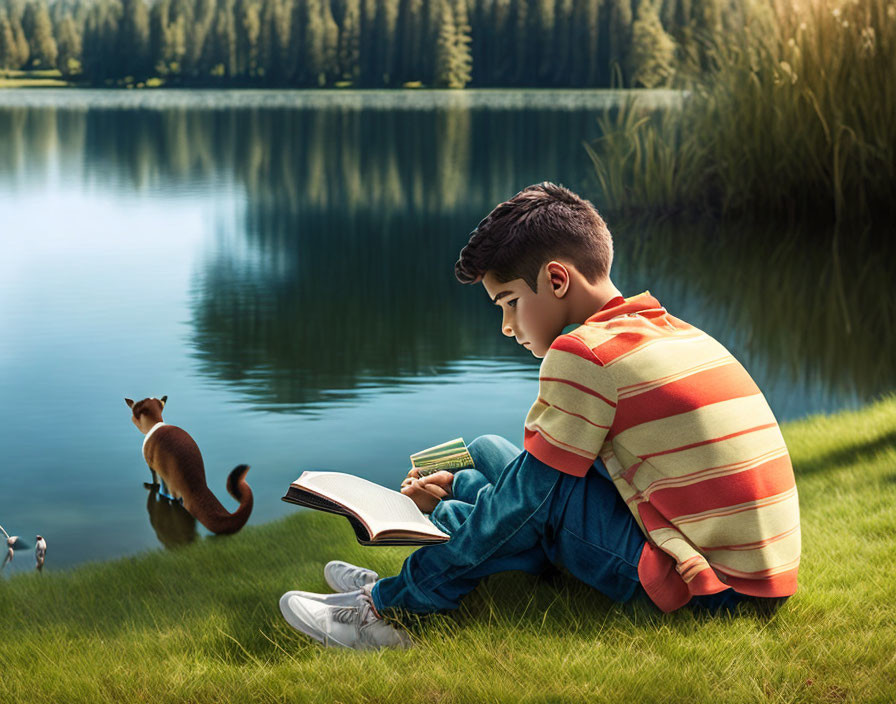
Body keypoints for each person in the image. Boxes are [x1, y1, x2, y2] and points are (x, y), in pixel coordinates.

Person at [279, 182, 800, 650]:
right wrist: (474, 489)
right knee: (487, 452)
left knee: (529, 498)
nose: (507, 326)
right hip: (753, 574)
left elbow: (532, 500)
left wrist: (468, 515)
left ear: (556, 280)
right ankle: (453, 525)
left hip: (707, 589)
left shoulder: (583, 352)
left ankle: (392, 607)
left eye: (508, 302)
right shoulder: (662, 328)